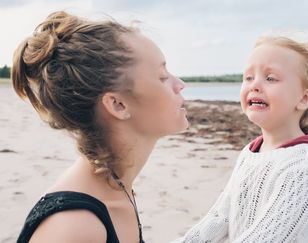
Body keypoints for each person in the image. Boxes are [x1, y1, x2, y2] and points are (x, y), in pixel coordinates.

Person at [13, 11, 188, 243]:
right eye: (162, 77)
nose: (180, 85)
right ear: (117, 104)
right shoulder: (76, 226)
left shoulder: (116, 188)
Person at [173, 35, 308, 243]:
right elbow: (221, 217)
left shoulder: (303, 166)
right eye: (248, 77)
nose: (255, 85)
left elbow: (265, 237)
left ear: (304, 98)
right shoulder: (251, 152)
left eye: (270, 78)